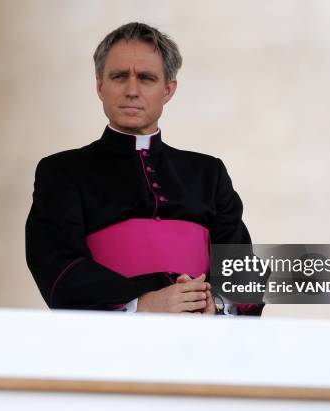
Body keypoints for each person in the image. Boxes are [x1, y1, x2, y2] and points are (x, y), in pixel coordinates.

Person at [25, 22, 264, 315]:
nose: (132, 90)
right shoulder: (62, 172)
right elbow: (57, 265)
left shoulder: (208, 173)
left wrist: (212, 305)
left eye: (147, 78)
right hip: (109, 346)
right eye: (119, 76)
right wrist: (144, 302)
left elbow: (244, 270)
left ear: (168, 90)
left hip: (204, 342)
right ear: (100, 85)